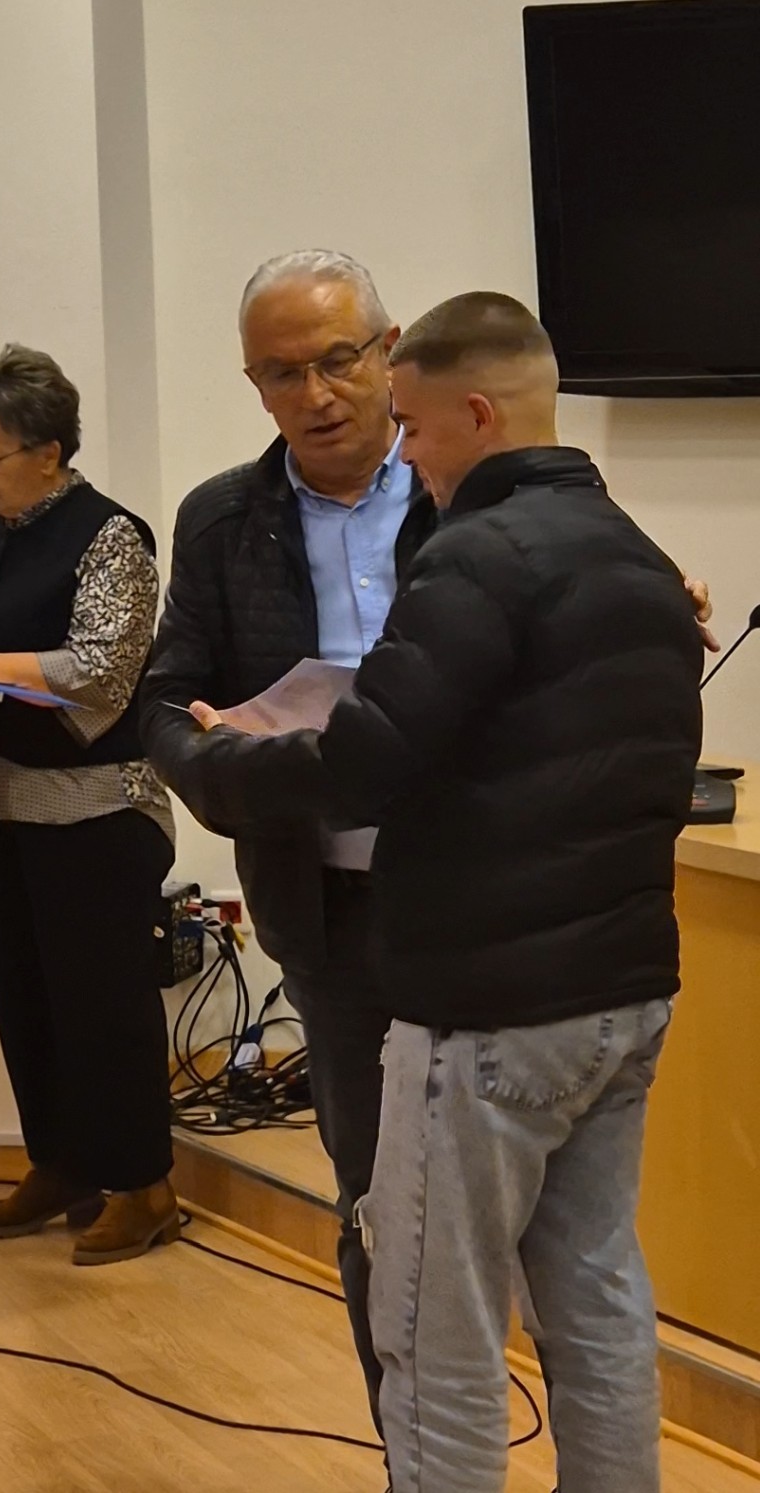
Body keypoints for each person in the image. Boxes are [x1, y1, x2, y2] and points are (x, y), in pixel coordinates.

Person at [141, 251, 715, 1433]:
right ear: (253, 386)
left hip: (484, 912)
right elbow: (165, 697)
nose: (317, 394)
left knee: (523, 1266)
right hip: (332, 906)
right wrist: (209, 766)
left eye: (339, 361)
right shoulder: (221, 518)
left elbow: (560, 628)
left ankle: (444, 1439)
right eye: (281, 373)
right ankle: (407, 1437)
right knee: (381, 1218)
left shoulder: (471, 491)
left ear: (391, 352)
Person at [0, 344, 179, 1265]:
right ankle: (63, 1163)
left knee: (103, 1004)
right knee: (29, 998)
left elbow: (102, 669)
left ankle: (144, 1185)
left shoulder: (110, 535)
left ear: (48, 451)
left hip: (92, 809)